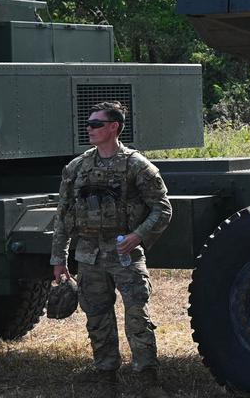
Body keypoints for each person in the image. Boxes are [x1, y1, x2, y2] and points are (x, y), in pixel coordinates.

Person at [50, 101, 172, 397]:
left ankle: (147, 377)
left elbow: (163, 208)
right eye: (89, 124)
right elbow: (64, 215)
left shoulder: (136, 166)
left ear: (114, 127)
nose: (89, 129)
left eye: (95, 124)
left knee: (137, 315)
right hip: (89, 256)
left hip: (124, 254)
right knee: (97, 316)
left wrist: (138, 236)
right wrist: (59, 258)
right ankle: (106, 374)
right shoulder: (77, 168)